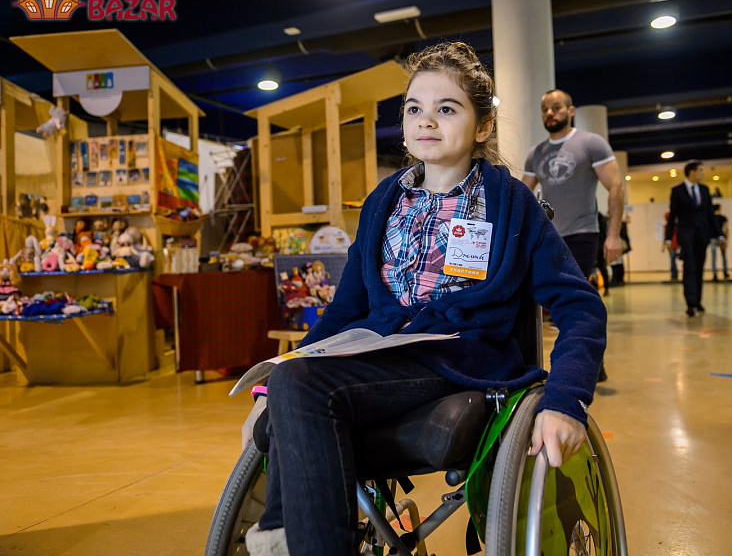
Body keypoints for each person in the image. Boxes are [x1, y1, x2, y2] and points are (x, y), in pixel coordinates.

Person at [241, 42, 607, 556]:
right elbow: (345, 310)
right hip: (380, 354)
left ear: (482, 126)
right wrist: (276, 376)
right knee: (289, 381)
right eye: (414, 108)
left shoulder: (510, 204)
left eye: (447, 109)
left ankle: (295, 542)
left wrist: (566, 401)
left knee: (302, 388)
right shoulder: (383, 201)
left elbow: (580, 306)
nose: (425, 121)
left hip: (460, 359)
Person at [522, 89, 622, 383]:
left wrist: (614, 235)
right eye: (545, 109)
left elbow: (615, 187)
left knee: (573, 299)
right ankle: (590, 360)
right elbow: (522, 194)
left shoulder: (590, 143)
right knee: (555, 304)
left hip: (583, 232)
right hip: (549, 236)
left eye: (556, 107)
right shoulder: (536, 153)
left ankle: (579, 366)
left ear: (571, 110)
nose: (550, 113)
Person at [665, 160, 725, 317]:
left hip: (702, 235)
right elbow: (672, 216)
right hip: (686, 235)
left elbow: (711, 215)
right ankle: (690, 303)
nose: (702, 173)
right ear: (691, 171)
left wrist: (720, 234)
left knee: (699, 268)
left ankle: (698, 301)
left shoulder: (704, 190)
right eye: (700, 170)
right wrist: (668, 239)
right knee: (689, 267)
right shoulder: (677, 191)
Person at [709, 204, 729, 281]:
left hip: (712, 238)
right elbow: (726, 228)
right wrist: (726, 238)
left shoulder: (710, 218)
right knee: (723, 255)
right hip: (721, 238)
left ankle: (715, 273)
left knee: (713, 257)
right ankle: (725, 271)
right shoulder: (722, 218)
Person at [664, 211, 680, 281]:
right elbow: (666, 236)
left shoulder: (675, 226)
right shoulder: (666, 226)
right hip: (671, 244)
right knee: (672, 259)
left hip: (675, 244)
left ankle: (674, 273)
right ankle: (674, 273)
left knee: (672, 259)